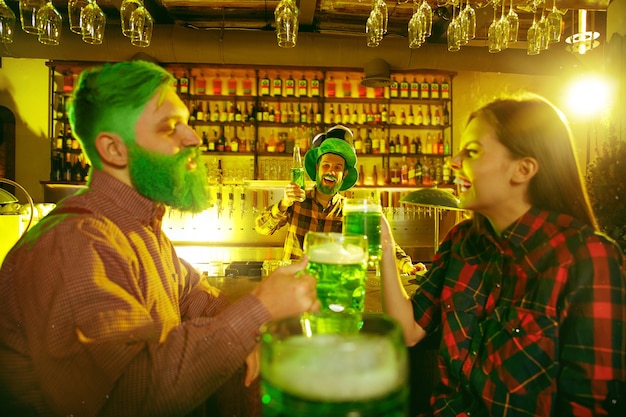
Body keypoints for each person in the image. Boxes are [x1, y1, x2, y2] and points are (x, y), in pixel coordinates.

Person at [0, 60, 320, 417]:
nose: (194, 138)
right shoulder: (73, 243)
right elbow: (126, 396)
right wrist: (260, 308)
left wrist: (254, 331)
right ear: (114, 150)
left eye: (186, 122)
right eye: (170, 127)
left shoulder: (140, 229)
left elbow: (197, 297)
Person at [380, 93, 626, 416]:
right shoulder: (462, 242)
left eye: (472, 151)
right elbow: (407, 331)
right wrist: (383, 243)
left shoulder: (587, 258)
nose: (453, 162)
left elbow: (590, 406)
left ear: (523, 169)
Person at [255, 125, 423, 274]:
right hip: (294, 287)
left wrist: (408, 266)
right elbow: (261, 228)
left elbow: (382, 241)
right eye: (326, 165)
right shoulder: (296, 200)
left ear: (345, 175)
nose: (331, 171)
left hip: (331, 289)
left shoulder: (349, 210)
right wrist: (284, 202)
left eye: (338, 168)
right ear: (317, 168)